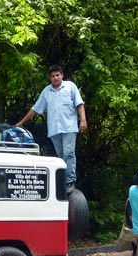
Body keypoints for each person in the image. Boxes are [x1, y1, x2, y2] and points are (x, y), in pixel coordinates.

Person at [15, 65, 87, 194]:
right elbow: (36, 108)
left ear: (62, 75)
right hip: (54, 129)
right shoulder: (46, 91)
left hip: (69, 126)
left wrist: (83, 120)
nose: (55, 78)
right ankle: (62, 182)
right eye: (53, 76)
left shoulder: (70, 86)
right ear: (50, 78)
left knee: (69, 153)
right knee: (61, 156)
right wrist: (21, 122)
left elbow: (79, 104)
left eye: (57, 75)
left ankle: (70, 181)